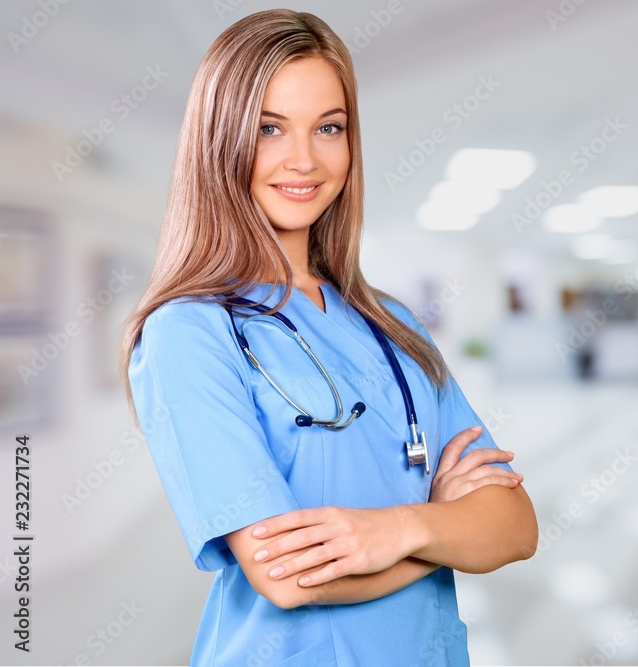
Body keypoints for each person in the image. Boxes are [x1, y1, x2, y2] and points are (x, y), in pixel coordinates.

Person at [120, 9, 538, 666]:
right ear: (219, 139)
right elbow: (285, 576)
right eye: (269, 128)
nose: (304, 159)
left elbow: (515, 527)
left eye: (330, 128)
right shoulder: (190, 332)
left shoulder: (392, 324)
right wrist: (442, 528)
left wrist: (394, 529)